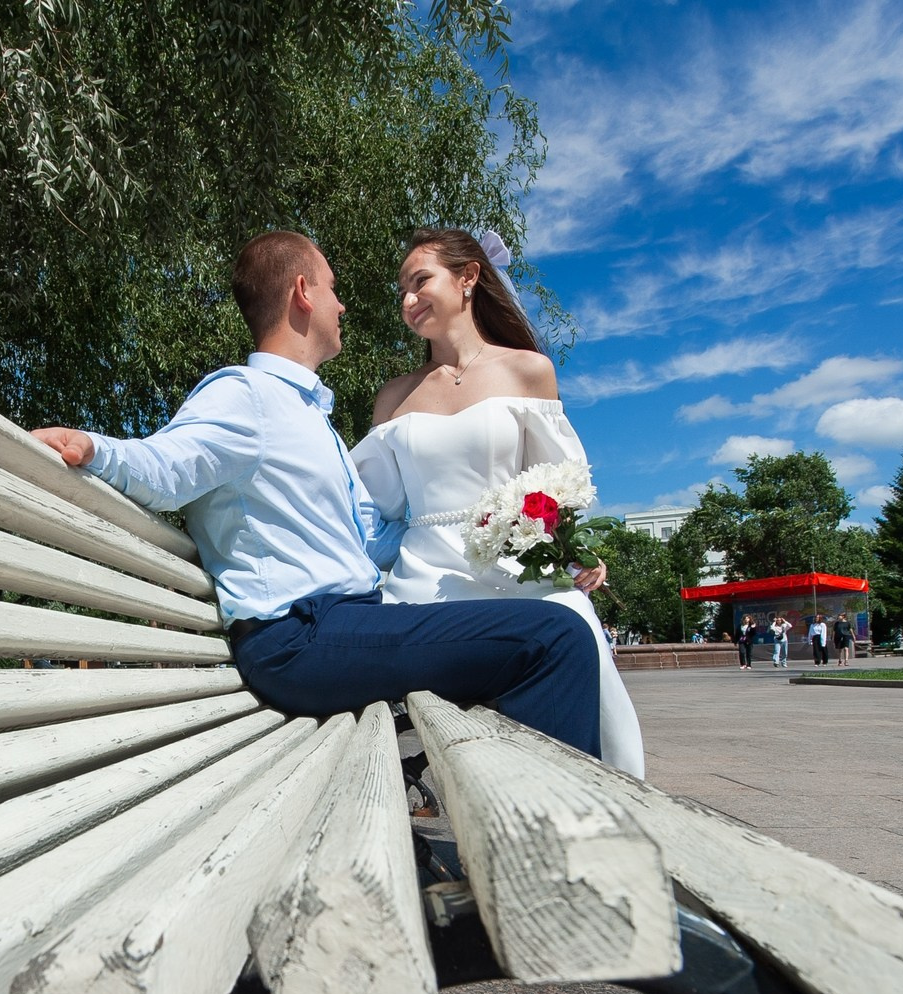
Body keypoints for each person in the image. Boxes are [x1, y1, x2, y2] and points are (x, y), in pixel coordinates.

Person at [31, 231, 603, 757]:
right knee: (553, 639)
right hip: (300, 637)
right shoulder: (246, 395)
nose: (343, 305)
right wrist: (93, 447)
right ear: (303, 292)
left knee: (541, 629)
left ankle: (536, 829)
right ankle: (560, 847)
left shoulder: (311, 418)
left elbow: (374, 538)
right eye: (333, 289)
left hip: (343, 626)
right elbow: (167, 466)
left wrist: (499, 527)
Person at [346, 228, 645, 777]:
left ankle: (590, 791)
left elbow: (558, 485)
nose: (408, 301)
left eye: (420, 282)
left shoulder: (528, 370)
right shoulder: (394, 397)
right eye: (401, 292)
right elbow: (375, 509)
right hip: (425, 577)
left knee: (573, 620)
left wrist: (574, 549)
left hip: (518, 568)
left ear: (468, 278)